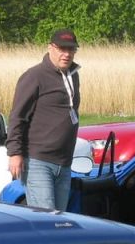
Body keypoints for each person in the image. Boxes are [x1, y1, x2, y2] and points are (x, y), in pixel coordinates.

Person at [6, 29, 81, 210]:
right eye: (62, 49)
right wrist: (14, 153)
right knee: (46, 219)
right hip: (38, 161)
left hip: (64, 163)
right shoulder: (34, 76)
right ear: (50, 48)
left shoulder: (73, 75)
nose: (67, 54)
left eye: (71, 50)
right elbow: (18, 116)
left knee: (60, 219)